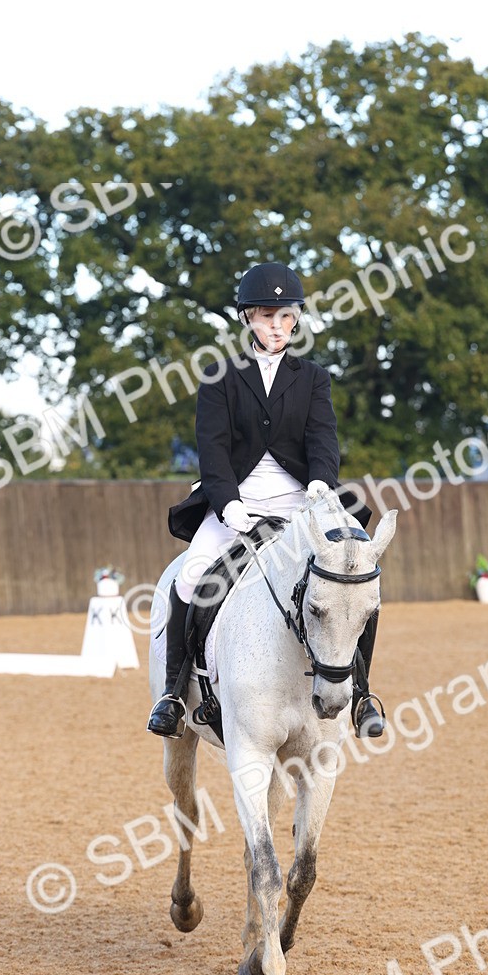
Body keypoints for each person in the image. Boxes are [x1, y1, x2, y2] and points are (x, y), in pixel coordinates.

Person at [147, 260, 384, 740]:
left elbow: (323, 440)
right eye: (265, 316)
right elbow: (211, 449)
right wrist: (227, 502)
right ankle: (173, 693)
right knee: (192, 575)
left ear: (296, 319)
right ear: (247, 319)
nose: (276, 326)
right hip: (235, 501)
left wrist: (321, 484)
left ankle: (361, 694)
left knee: (356, 573)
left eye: (285, 316)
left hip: (301, 502)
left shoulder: (313, 377)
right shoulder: (220, 377)